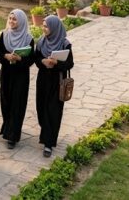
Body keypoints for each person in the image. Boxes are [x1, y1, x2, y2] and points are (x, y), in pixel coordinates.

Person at [34, 15, 74, 157]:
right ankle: (46, 133)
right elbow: (36, 59)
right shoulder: (41, 42)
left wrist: (57, 63)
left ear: (54, 28)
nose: (43, 29)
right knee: (41, 108)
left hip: (57, 81)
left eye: (46, 26)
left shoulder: (65, 44)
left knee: (53, 111)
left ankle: (48, 143)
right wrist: (43, 61)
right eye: (43, 26)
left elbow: (70, 64)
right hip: (43, 80)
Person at [0, 9, 34, 149]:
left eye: (14, 19)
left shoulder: (28, 39)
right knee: (6, 101)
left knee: (18, 104)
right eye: (10, 18)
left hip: (21, 76)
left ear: (21, 21)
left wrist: (20, 58)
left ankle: (13, 136)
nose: (11, 21)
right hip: (6, 74)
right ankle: (7, 128)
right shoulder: (5, 35)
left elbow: (31, 60)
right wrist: (6, 56)